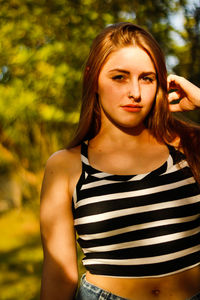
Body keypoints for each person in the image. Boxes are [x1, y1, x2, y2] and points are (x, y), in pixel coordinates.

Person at [40, 22, 200, 300]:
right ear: (93, 79)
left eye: (147, 78)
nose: (135, 93)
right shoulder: (66, 165)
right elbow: (59, 276)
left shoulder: (189, 146)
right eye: (119, 77)